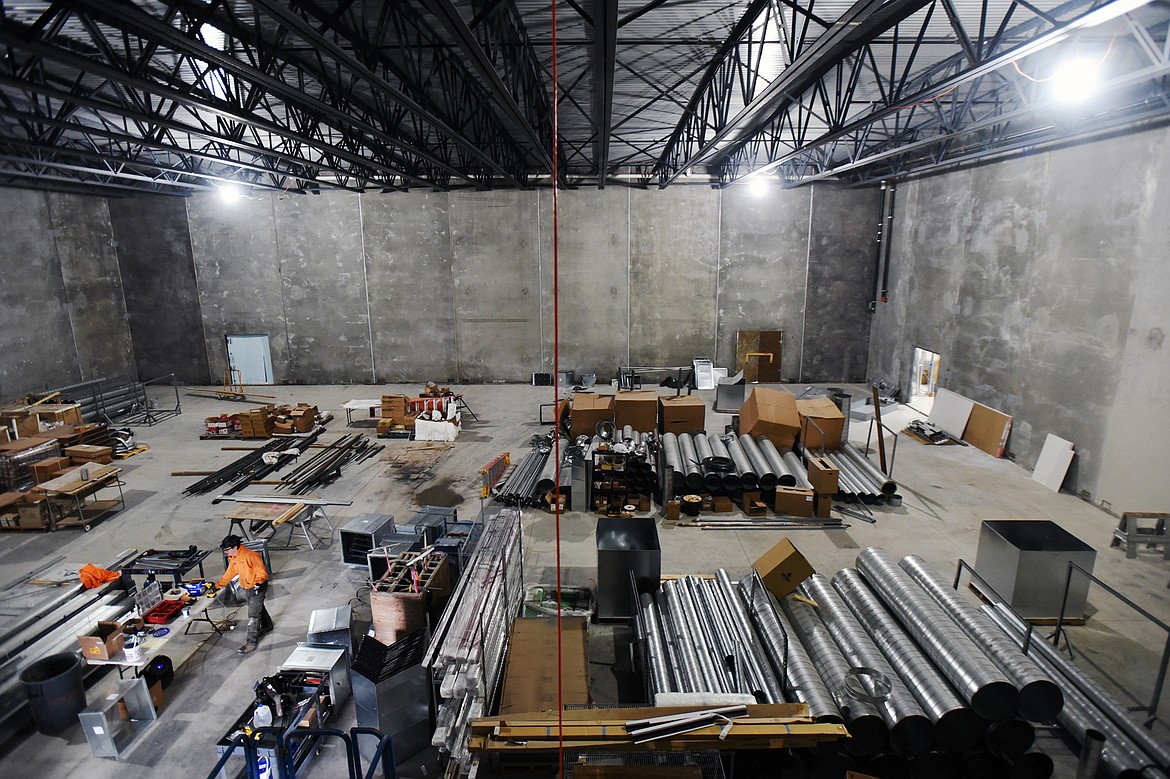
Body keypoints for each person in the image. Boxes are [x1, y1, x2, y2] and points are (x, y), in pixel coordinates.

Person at [213, 534, 274, 654]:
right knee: (256, 606)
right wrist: (217, 585)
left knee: (253, 615)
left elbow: (261, 572)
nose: (225, 552)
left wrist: (258, 582)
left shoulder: (250, 556)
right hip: (247, 586)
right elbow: (229, 574)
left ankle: (251, 642)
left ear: (235, 547)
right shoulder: (234, 558)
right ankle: (267, 625)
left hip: (258, 586)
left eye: (227, 549)